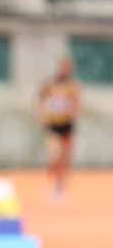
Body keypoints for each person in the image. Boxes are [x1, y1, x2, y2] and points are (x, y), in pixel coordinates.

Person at [38, 57, 81, 199]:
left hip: (67, 124)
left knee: (65, 159)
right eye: (62, 67)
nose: (64, 70)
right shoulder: (50, 83)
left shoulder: (73, 85)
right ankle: (53, 170)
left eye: (67, 68)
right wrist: (42, 114)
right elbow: (40, 99)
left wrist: (72, 110)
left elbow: (78, 104)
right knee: (54, 155)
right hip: (53, 124)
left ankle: (59, 187)